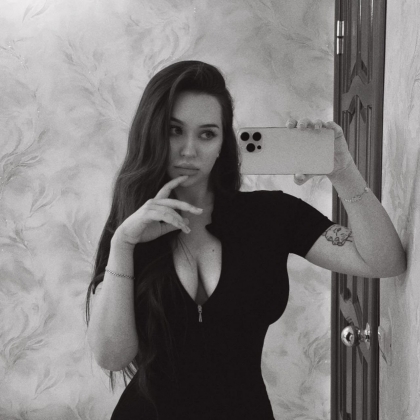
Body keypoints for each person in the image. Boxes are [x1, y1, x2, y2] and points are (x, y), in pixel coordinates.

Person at [85, 61, 407, 420]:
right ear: (151, 133)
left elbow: (384, 261)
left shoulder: (272, 215)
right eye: (174, 130)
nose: (189, 150)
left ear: (223, 142)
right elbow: (111, 356)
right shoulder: (132, 228)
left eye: (207, 134)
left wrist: (343, 172)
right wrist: (123, 245)